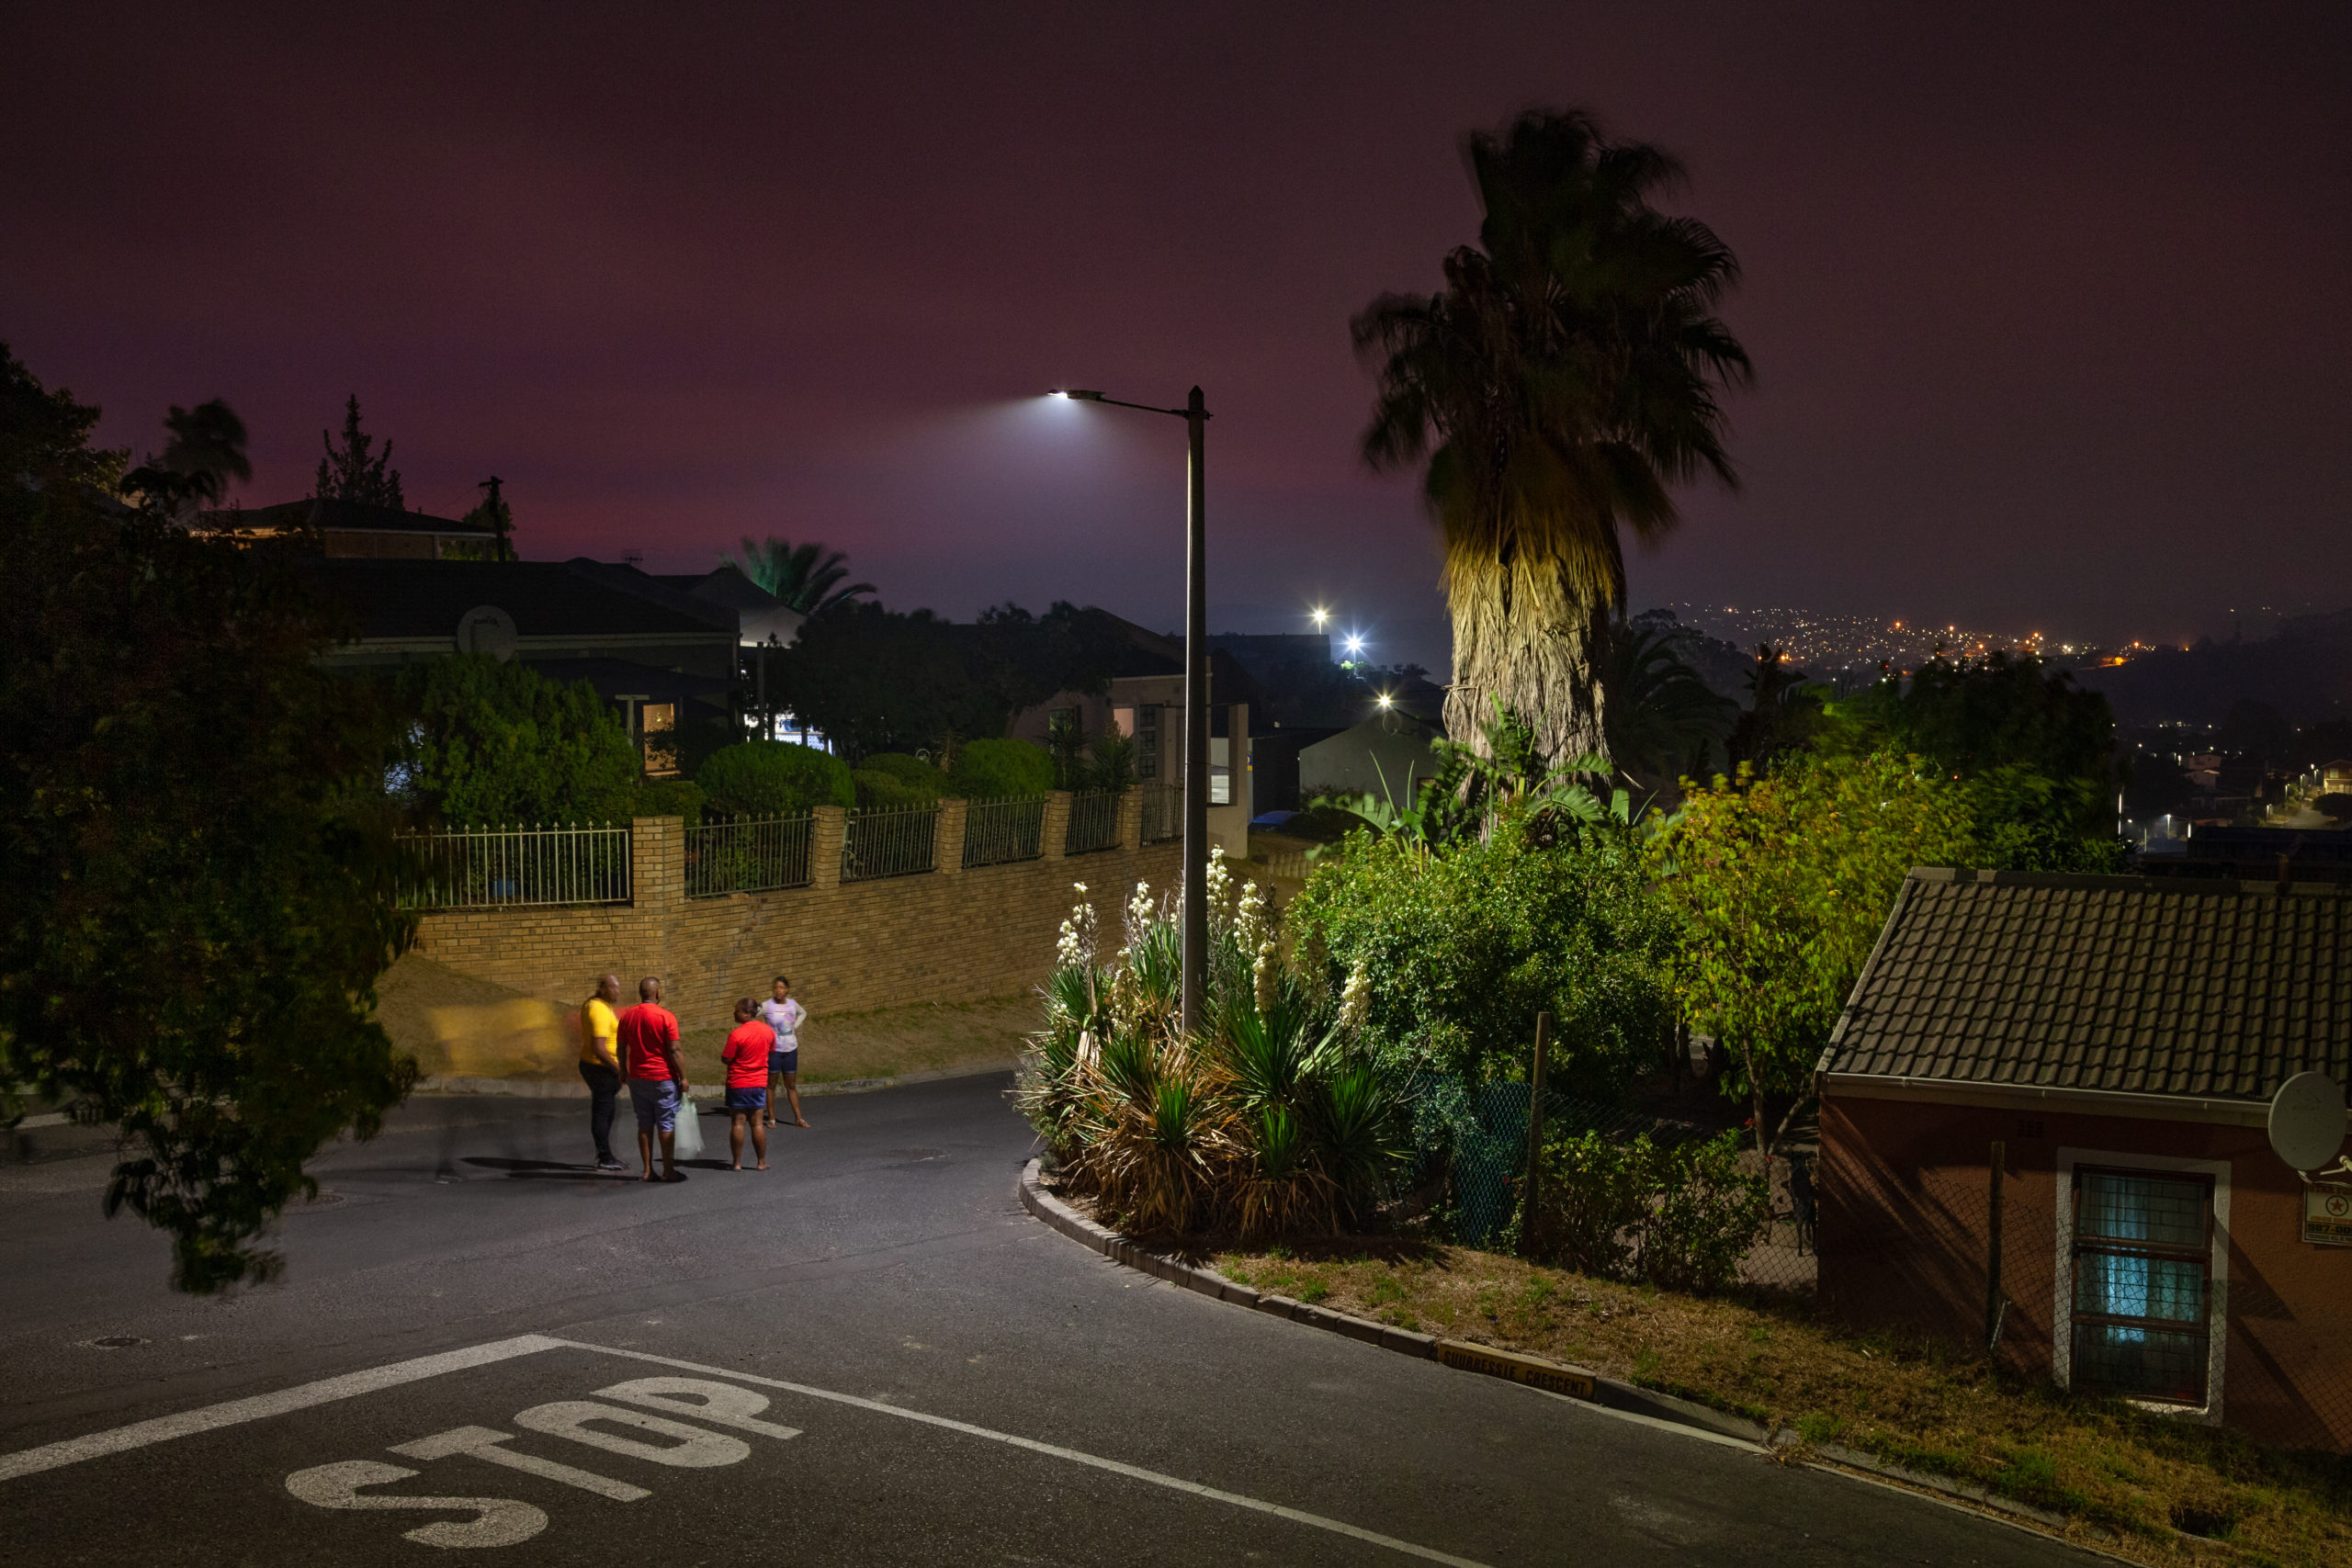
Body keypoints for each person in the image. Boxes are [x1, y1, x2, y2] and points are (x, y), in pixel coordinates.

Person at [618, 976, 691, 1182]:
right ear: (658, 992)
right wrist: (683, 1077)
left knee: (644, 1123)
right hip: (663, 1078)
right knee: (666, 1123)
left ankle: (648, 1171)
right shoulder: (666, 1017)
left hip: (638, 1077)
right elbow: (674, 1049)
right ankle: (668, 1170)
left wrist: (623, 1069)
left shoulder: (627, 1016)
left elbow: (621, 1046)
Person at [577, 973, 627, 1171]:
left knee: (606, 1111)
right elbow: (599, 1048)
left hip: (597, 1066)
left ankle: (605, 1154)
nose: (617, 991)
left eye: (618, 987)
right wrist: (620, 1070)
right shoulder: (598, 1010)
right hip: (600, 1068)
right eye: (613, 987)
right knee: (602, 1112)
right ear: (602, 987)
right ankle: (604, 1157)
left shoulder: (598, 1005)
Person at [719, 998, 775, 1170]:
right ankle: (761, 1162)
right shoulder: (768, 1031)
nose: (734, 1013)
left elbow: (727, 1058)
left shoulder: (736, 1035)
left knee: (738, 1123)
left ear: (747, 1013)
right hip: (758, 1082)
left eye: (737, 1010)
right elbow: (770, 1051)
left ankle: (736, 1162)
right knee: (757, 1123)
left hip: (738, 1082)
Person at [758, 975, 808, 1129]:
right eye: (775, 988)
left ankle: (798, 1118)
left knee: (791, 1085)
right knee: (771, 1084)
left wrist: (795, 1026)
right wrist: (763, 1032)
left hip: (790, 1049)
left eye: (781, 988)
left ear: (786, 990)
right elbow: (752, 1014)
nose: (778, 991)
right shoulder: (767, 1006)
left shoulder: (793, 1004)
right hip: (774, 1050)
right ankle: (771, 1118)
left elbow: (803, 1013)